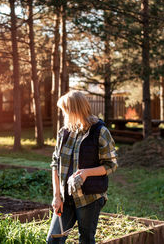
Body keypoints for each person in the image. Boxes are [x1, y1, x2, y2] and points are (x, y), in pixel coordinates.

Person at [46, 91, 118, 244]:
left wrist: (86, 173)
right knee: (53, 240)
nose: (63, 114)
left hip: (89, 198)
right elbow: (55, 163)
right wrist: (56, 196)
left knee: (85, 240)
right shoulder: (64, 132)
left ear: (76, 110)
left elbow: (111, 164)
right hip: (65, 199)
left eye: (66, 110)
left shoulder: (100, 132)